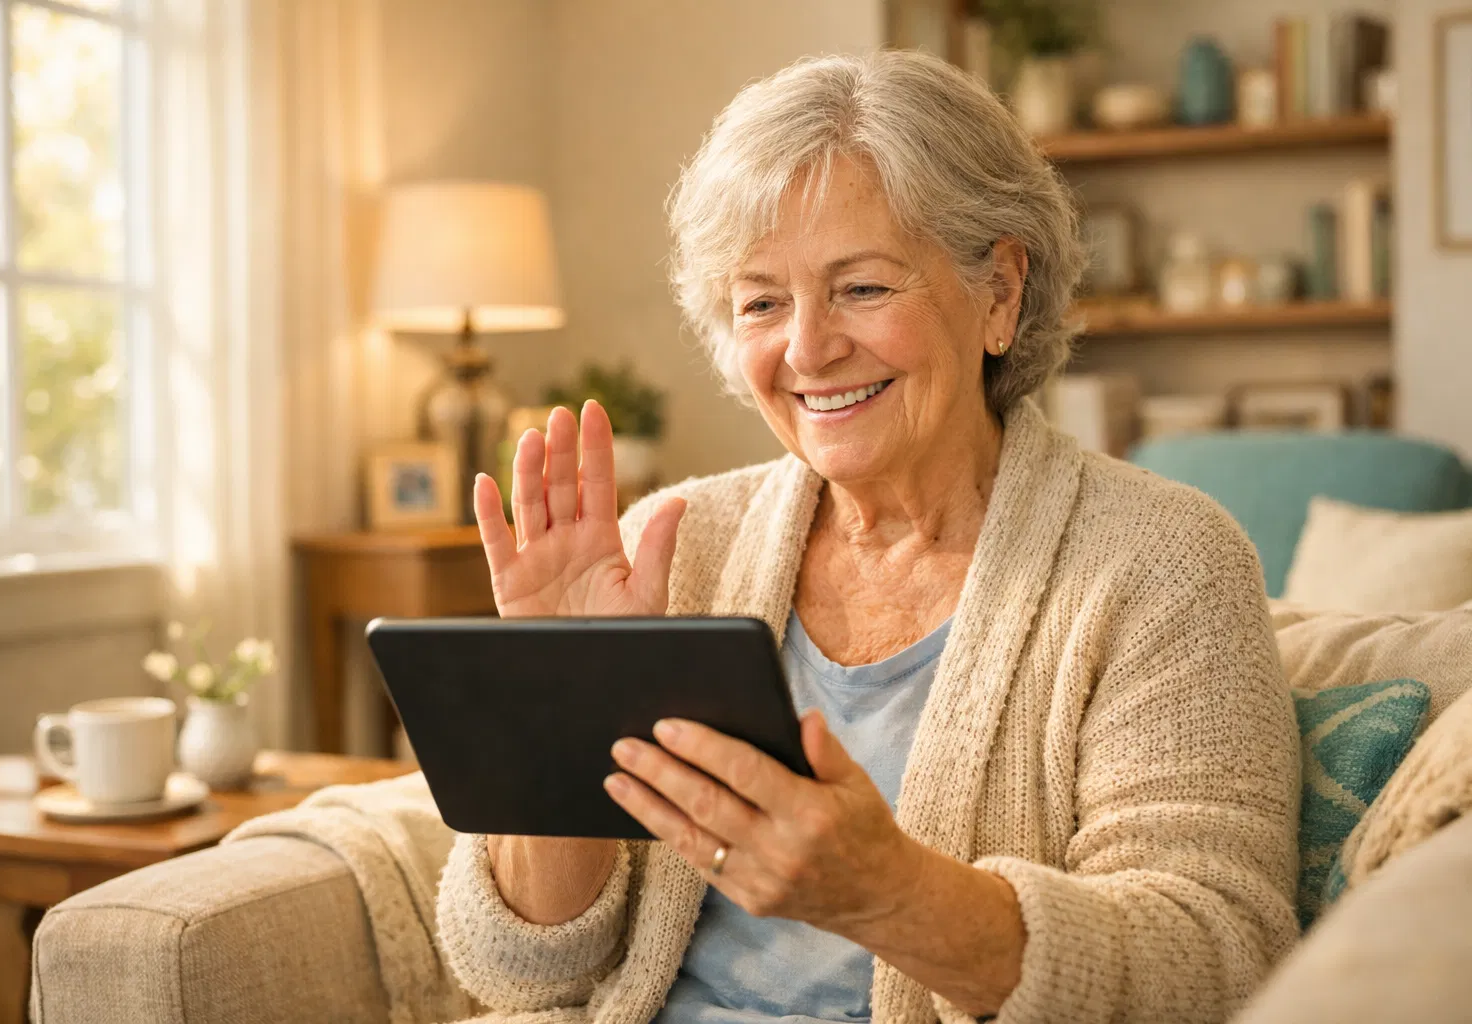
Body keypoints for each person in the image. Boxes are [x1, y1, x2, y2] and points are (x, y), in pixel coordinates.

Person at [436, 50, 1298, 1024]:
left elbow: (1220, 960)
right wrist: (554, 713)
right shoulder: (675, 548)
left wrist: (893, 895)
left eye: (863, 289)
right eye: (761, 300)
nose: (806, 350)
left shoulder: (1163, 563)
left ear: (1000, 293)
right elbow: (517, 972)